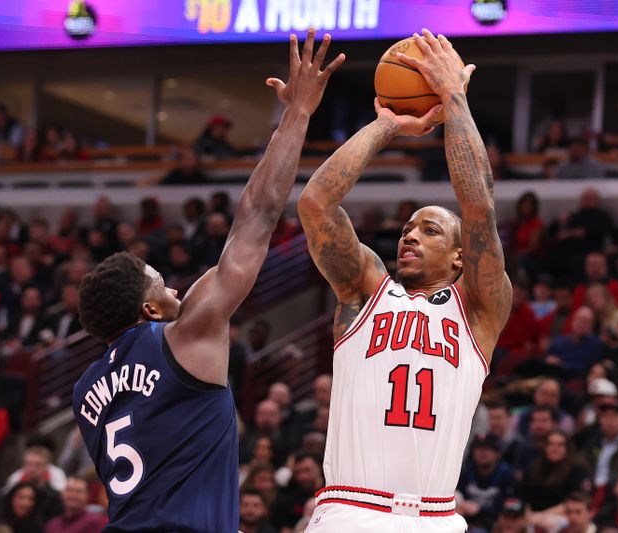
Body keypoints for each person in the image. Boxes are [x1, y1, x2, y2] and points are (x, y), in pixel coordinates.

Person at [71, 30, 344, 532]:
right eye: (159, 283)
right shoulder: (186, 334)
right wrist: (298, 113)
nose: (173, 287)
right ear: (148, 310)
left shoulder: (84, 390)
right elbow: (258, 216)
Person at [297, 30, 511, 532]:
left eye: (429, 229)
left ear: (462, 256)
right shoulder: (365, 293)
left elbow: (478, 204)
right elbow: (315, 204)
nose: (409, 236)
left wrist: (455, 98)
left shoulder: (480, 309)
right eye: (407, 228)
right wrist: (386, 125)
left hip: (435, 518)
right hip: (349, 511)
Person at [457, 434, 517, 530]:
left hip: (494, 523)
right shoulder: (467, 470)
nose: (482, 453)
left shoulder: (506, 474)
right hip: (467, 521)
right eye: (478, 448)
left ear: (498, 453)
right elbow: (458, 494)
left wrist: (480, 509)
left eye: (487, 449)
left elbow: (509, 507)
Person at [43, 476, 108, 533]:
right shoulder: (52, 525)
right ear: (61, 494)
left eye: (79, 491)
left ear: (88, 495)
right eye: (69, 490)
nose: (73, 495)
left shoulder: (98, 522)